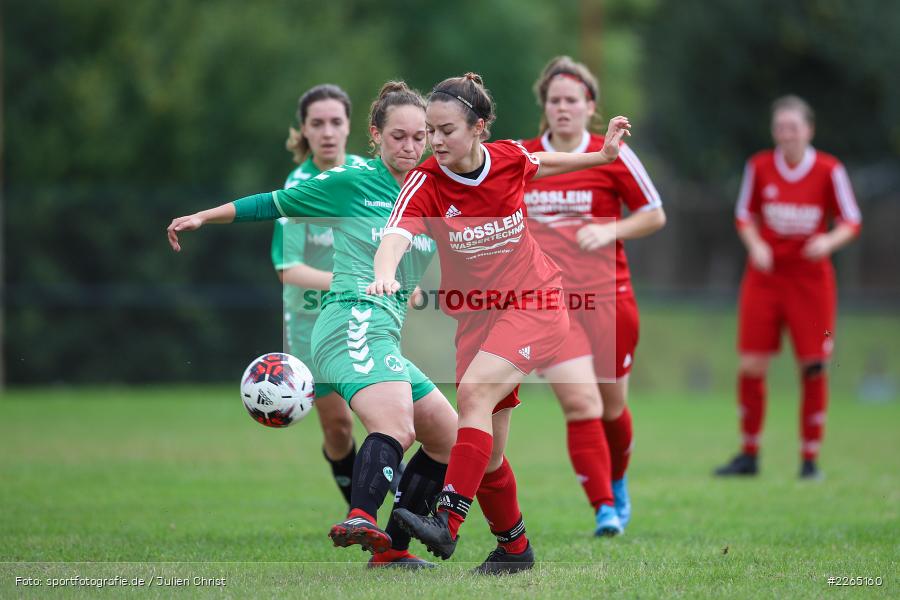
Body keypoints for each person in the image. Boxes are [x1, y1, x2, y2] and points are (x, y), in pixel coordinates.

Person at [168, 82, 459, 568]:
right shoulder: (352, 181)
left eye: (419, 137)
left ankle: (390, 555)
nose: (410, 147)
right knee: (393, 425)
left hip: (383, 330)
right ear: (375, 136)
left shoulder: (432, 189)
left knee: (449, 437)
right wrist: (202, 217)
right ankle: (361, 515)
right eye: (398, 137)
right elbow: (274, 203)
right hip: (350, 319)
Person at [369, 72, 630, 574]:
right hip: (477, 318)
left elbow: (542, 162)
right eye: (430, 130)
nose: (435, 141)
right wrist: (383, 275)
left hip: (535, 300)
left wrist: (601, 157)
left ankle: (448, 520)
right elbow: (397, 234)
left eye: (446, 130)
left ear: (479, 128)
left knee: (472, 396)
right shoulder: (426, 181)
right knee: (486, 455)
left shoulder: (507, 157)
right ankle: (515, 549)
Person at [519, 56, 665, 535]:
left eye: (572, 100)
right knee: (581, 405)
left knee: (611, 408)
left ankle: (618, 482)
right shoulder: (524, 158)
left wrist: (610, 231)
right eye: (554, 100)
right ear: (544, 106)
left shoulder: (613, 153)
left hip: (608, 300)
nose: (563, 108)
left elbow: (654, 214)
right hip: (549, 305)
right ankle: (604, 507)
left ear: (590, 106)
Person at [715, 95, 862, 480]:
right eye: (780, 127)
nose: (787, 134)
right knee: (751, 363)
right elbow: (744, 215)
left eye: (793, 127)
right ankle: (749, 454)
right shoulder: (760, 166)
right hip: (765, 279)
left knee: (813, 366)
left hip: (811, 281)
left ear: (808, 130)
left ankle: (809, 459)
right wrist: (757, 245)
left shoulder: (829, 169)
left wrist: (828, 242)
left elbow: (851, 220)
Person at [274, 83, 368, 506]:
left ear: (351, 126)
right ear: (304, 131)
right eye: (318, 124)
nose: (328, 132)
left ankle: (383, 503)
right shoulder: (298, 189)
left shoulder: (368, 176)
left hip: (366, 317)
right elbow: (288, 270)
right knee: (339, 427)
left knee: (387, 415)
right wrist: (347, 281)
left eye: (336, 122)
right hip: (313, 326)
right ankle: (358, 504)